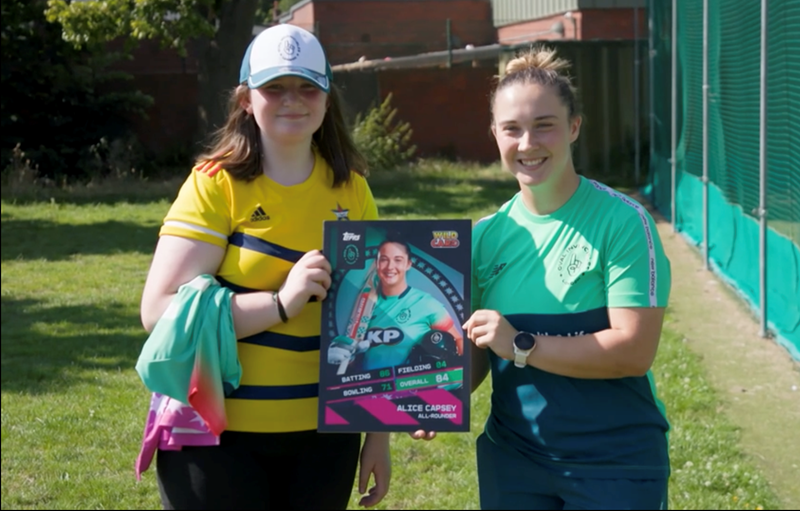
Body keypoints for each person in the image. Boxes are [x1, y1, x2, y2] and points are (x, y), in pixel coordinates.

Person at [139, 23, 390, 510]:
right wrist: (280, 303)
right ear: (245, 99)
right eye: (273, 88)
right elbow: (159, 310)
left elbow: (371, 318)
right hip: (215, 439)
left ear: (327, 98)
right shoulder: (215, 184)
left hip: (325, 439)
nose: (292, 100)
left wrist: (377, 435)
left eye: (306, 87)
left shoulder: (352, 189)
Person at [416, 46, 673, 509]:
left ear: (574, 127)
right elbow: (478, 351)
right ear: (494, 134)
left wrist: (521, 344)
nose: (528, 143)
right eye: (512, 128)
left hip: (616, 463)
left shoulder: (622, 222)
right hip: (513, 462)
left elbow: (634, 351)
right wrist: (433, 396)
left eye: (545, 125)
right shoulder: (481, 239)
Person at [327, 238, 464, 374]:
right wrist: (344, 355)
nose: (390, 266)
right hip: (371, 389)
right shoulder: (365, 305)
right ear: (377, 263)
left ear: (408, 264)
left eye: (398, 260)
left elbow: (457, 342)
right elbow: (353, 363)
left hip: (414, 388)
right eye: (384, 259)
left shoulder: (425, 303)